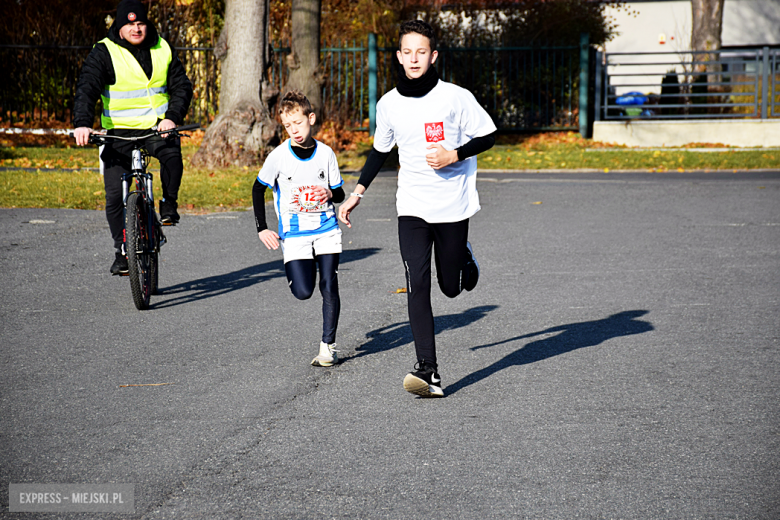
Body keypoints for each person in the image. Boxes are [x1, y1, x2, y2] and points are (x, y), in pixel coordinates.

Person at [338, 20, 497, 398]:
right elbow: (380, 150)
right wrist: (357, 192)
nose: (414, 59)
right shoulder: (389, 104)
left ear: (433, 56)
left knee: (451, 287)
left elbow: (489, 134)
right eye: (407, 52)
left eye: (421, 52)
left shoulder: (455, 97)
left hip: (452, 206)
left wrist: (454, 153)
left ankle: (463, 258)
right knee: (417, 284)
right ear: (398, 56)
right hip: (411, 207)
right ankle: (429, 371)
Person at [73, 0, 193, 275]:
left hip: (156, 128)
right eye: (130, 24)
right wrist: (82, 123)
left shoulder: (162, 47)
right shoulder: (104, 52)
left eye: (140, 23)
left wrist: (172, 117)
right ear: (119, 25)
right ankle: (122, 251)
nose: (136, 29)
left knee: (172, 156)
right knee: (114, 196)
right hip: (118, 133)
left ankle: (169, 205)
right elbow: (87, 88)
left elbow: (181, 85)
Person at [253, 91, 346, 367]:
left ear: (311, 118)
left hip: (326, 228)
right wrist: (263, 228)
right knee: (304, 291)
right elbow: (258, 188)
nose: (294, 130)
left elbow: (339, 192)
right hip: (294, 235)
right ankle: (306, 271)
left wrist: (329, 194)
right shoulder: (278, 157)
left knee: (329, 284)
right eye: (288, 125)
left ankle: (328, 346)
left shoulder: (326, 154)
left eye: (298, 123)